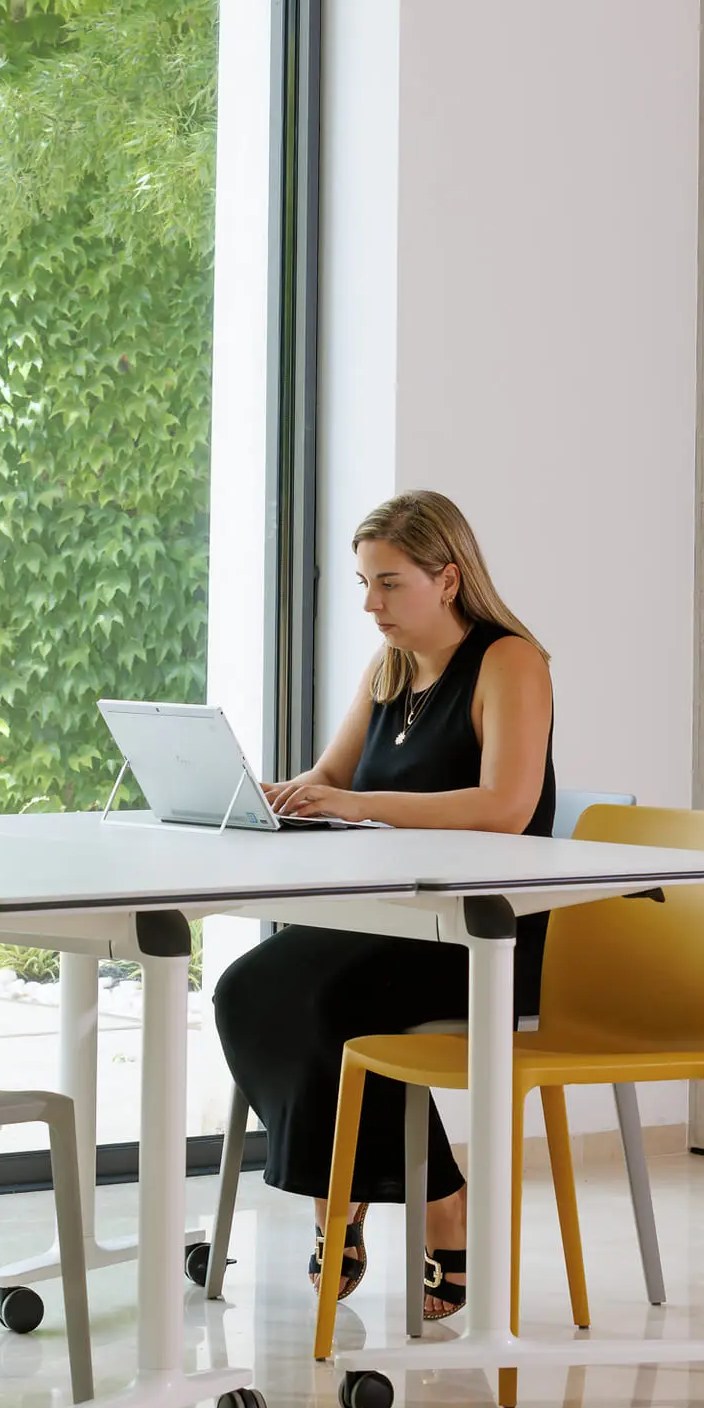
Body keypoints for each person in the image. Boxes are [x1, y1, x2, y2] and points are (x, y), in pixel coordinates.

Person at [213, 489, 556, 1320]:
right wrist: (290, 795)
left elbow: (504, 806)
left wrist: (362, 807)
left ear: (447, 578)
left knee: (325, 1000)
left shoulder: (511, 663)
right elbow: (334, 776)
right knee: (246, 991)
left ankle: (357, 1201)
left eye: (389, 584)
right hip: (387, 921)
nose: (370, 605)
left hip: (480, 938)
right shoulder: (390, 671)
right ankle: (415, 1191)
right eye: (365, 584)